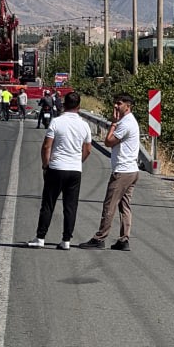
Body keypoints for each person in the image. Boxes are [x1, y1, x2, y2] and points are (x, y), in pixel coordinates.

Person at [28, 91, 92, 250]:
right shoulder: (84, 125)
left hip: (56, 168)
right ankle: (66, 240)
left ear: (64, 104)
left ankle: (40, 237)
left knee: (48, 204)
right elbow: (88, 149)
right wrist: (78, 161)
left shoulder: (56, 122)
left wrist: (45, 165)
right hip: (75, 170)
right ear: (79, 106)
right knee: (70, 206)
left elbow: (46, 146)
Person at [80, 92, 140, 251]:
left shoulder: (126, 123)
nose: (115, 106)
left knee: (109, 205)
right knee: (125, 206)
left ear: (128, 106)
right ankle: (124, 239)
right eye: (115, 103)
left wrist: (113, 123)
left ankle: (100, 238)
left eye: (119, 103)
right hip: (131, 170)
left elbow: (108, 142)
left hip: (123, 171)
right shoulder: (128, 121)